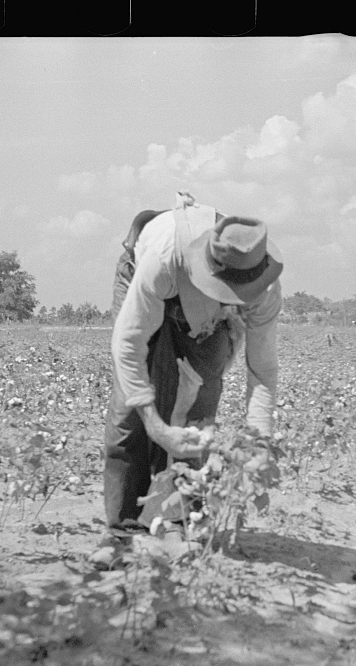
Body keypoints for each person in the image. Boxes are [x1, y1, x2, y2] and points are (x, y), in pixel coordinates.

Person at [102, 191, 283, 543]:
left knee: (198, 417)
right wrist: (155, 425)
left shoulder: (265, 291)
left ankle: (179, 521)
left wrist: (257, 445)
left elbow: (263, 370)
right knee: (128, 416)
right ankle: (122, 532)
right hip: (147, 282)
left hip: (211, 320)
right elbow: (128, 345)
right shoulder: (163, 259)